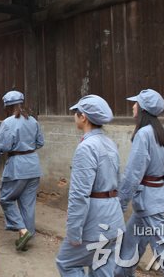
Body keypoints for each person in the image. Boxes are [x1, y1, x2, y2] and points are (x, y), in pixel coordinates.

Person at [115, 89, 164, 276]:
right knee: (130, 243)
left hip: (149, 202)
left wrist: (120, 204)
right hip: (155, 199)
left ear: (142, 109)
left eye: (136, 103)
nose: (133, 106)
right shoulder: (162, 132)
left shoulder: (144, 134)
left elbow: (133, 174)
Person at [55, 95, 125, 276]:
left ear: (83, 116)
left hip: (94, 220)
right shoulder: (110, 143)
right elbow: (120, 181)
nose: (74, 117)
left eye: (75, 113)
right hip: (113, 216)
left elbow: (79, 194)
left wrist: (74, 231)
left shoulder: (87, 147)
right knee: (102, 267)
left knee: (66, 262)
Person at [0, 91, 44, 251]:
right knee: (28, 204)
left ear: (7, 106)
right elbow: (40, 142)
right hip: (33, 164)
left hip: (17, 166)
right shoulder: (33, 120)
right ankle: (27, 234)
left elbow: (4, 147)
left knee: (6, 199)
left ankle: (23, 231)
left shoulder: (8, 123)